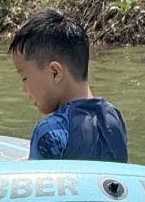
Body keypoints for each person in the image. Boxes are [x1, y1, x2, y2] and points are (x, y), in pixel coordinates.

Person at [10, 8, 128, 162]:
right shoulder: (114, 118)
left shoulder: (50, 132)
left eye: (24, 78)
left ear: (55, 72)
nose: (24, 89)